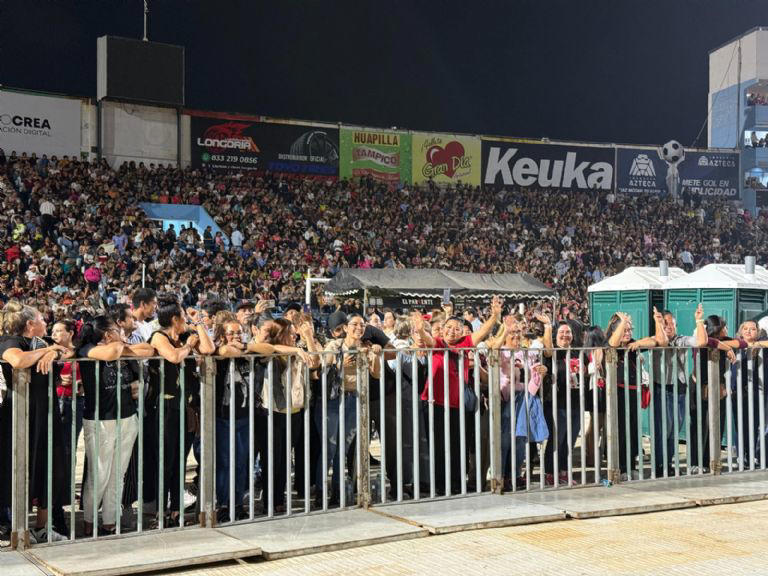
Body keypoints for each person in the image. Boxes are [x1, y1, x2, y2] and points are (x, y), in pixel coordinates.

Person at [417, 295, 503, 495]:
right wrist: (421, 328)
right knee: (437, 444)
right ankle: (439, 484)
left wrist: (495, 315)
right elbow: (428, 339)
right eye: (449, 328)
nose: (452, 332)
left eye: (456, 328)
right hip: (433, 402)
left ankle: (457, 482)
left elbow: (481, 332)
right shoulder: (438, 342)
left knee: (458, 445)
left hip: (457, 404)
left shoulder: (465, 342)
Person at [77, 315, 154, 535]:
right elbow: (110, 353)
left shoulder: (121, 348)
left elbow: (147, 350)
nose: (120, 330)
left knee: (118, 473)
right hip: (101, 419)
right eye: (115, 329)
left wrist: (122, 346)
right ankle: (90, 522)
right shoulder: (88, 348)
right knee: (99, 474)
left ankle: (110, 521)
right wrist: (121, 345)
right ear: (107, 333)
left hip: (127, 417)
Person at [0, 301, 69, 542]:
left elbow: (67, 350)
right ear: (30, 324)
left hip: (45, 414)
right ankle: (17, 527)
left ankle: (41, 526)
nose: (46, 322)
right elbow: (18, 361)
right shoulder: (10, 340)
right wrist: (48, 351)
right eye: (41, 319)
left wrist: (53, 350)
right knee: (19, 469)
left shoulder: (40, 342)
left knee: (51, 467)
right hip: (21, 416)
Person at [148, 294, 214, 526]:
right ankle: (160, 512)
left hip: (186, 407)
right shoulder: (158, 336)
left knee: (180, 461)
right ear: (175, 319)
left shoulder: (188, 334)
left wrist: (199, 325)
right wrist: (188, 346)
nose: (186, 320)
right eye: (184, 317)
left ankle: (176, 511)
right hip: (165, 406)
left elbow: (208, 348)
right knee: (165, 461)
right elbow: (174, 357)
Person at [640, 305, 707, 477]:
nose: (669, 326)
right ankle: (660, 464)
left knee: (673, 431)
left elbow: (701, 342)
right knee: (662, 430)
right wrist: (658, 324)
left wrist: (699, 320)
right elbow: (658, 341)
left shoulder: (681, 339)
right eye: (665, 323)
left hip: (680, 389)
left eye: (672, 323)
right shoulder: (654, 340)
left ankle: (668, 463)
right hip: (662, 388)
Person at [321, 314, 382, 504]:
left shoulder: (365, 348)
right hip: (333, 400)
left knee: (344, 448)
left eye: (362, 325)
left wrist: (376, 354)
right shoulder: (335, 346)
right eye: (354, 324)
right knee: (329, 449)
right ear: (346, 327)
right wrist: (341, 362)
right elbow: (322, 364)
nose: (359, 328)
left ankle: (338, 492)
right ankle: (321, 492)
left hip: (355, 399)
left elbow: (377, 373)